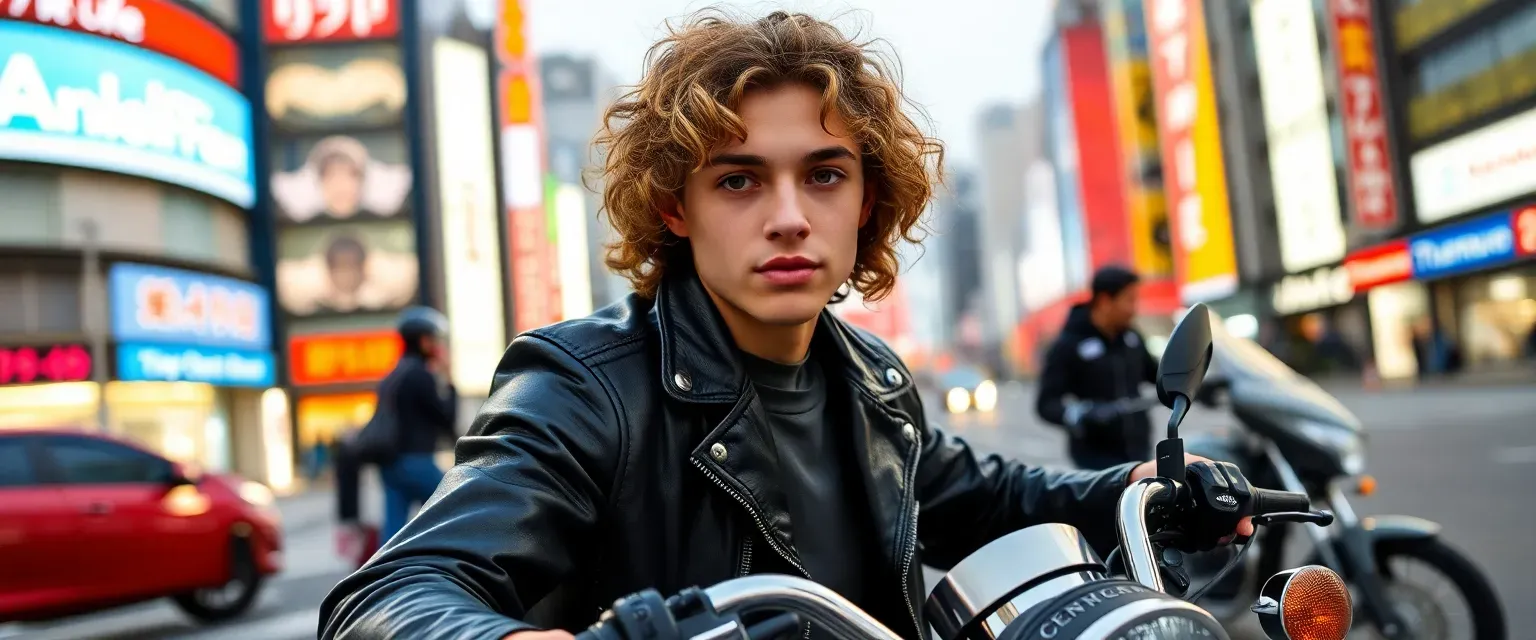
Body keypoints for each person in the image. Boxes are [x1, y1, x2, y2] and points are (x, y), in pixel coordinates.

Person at [319, 11, 1249, 640]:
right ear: (673, 207)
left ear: (866, 200)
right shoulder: (584, 385)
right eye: (738, 179)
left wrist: (1139, 486)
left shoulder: (873, 379)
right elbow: (392, 596)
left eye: (824, 174)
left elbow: (984, 495)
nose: (790, 215)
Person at [1035, 266, 1159, 470]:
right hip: (1095, 460)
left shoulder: (1131, 338)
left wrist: (1191, 382)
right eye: (1129, 300)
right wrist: (1083, 413)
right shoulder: (1068, 345)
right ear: (1104, 301)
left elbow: (1156, 375)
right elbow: (1046, 404)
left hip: (1139, 451)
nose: (1134, 308)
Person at [373, 306, 458, 543]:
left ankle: (386, 575)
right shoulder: (420, 375)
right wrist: (449, 380)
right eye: (435, 339)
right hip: (416, 461)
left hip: (391, 463)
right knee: (453, 507)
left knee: (393, 532)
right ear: (423, 340)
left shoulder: (393, 375)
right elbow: (445, 417)